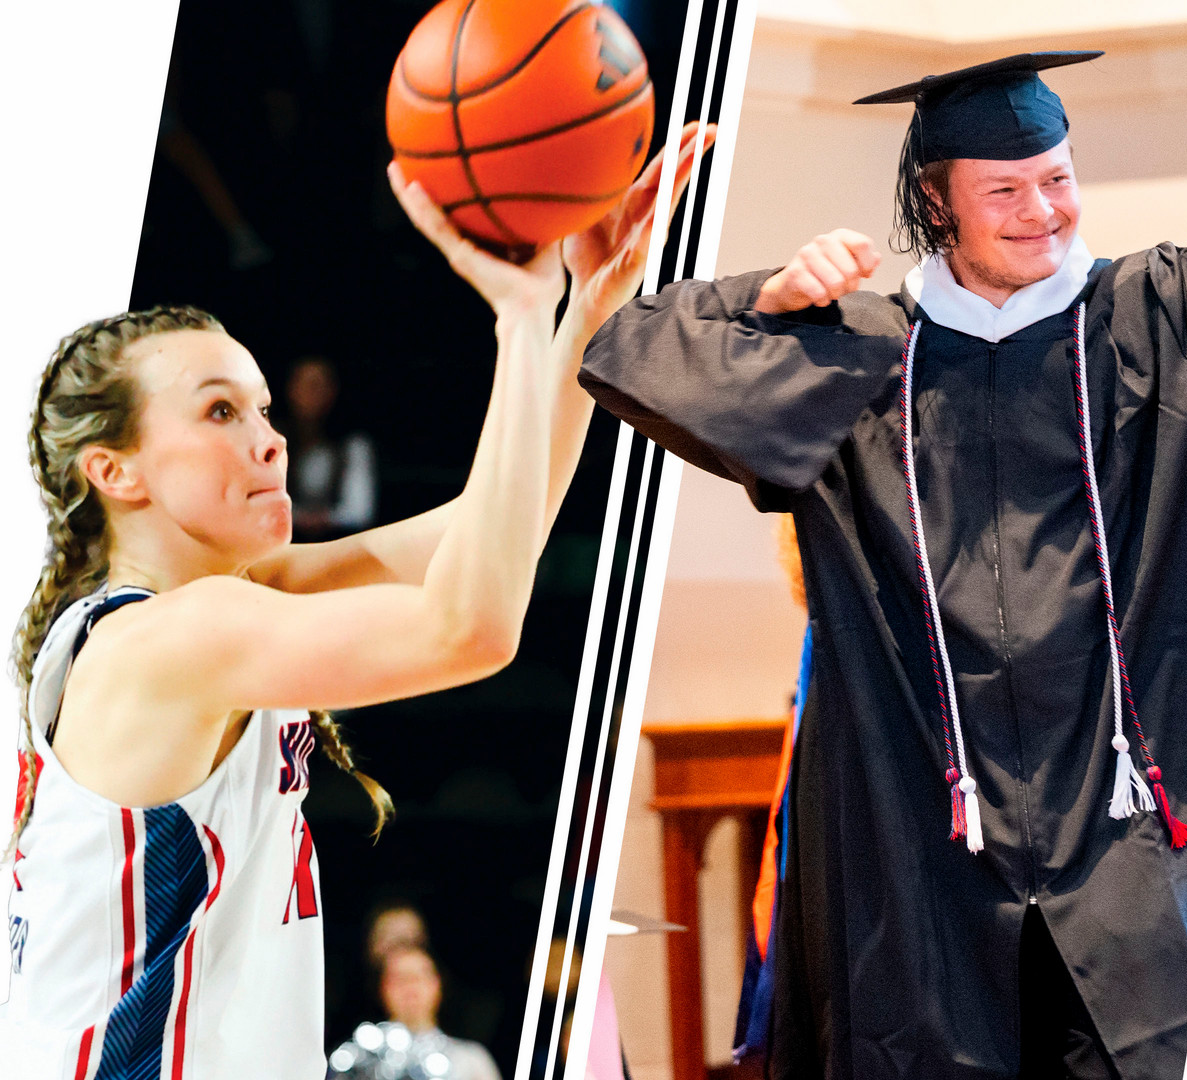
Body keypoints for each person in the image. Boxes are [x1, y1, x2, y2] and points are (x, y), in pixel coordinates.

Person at [580, 51, 1187, 1080]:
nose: (1044, 211)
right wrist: (774, 290)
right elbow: (628, 351)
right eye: (1006, 191)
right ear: (938, 204)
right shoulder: (851, 356)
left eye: (1058, 178)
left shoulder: (1172, 317)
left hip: (1134, 850)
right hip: (927, 855)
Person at [0, 126, 714, 1078]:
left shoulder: (220, 604)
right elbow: (472, 628)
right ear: (114, 470)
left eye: (261, 408)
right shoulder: (175, 636)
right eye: (220, 411)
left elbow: (496, 529)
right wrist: (515, 316)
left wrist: (584, 313)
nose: (269, 438)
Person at [325, 946, 502, 1080]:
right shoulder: (357, 1059)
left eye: (419, 977)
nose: (410, 987)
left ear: (437, 985)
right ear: (383, 989)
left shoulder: (472, 1060)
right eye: (400, 978)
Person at [285, 355, 378, 542]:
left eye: (317, 385)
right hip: (284, 544)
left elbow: (360, 511)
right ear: (290, 390)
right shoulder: (275, 439)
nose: (310, 394)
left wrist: (324, 518)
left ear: (332, 391)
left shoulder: (352, 446)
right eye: (303, 384)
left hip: (339, 543)